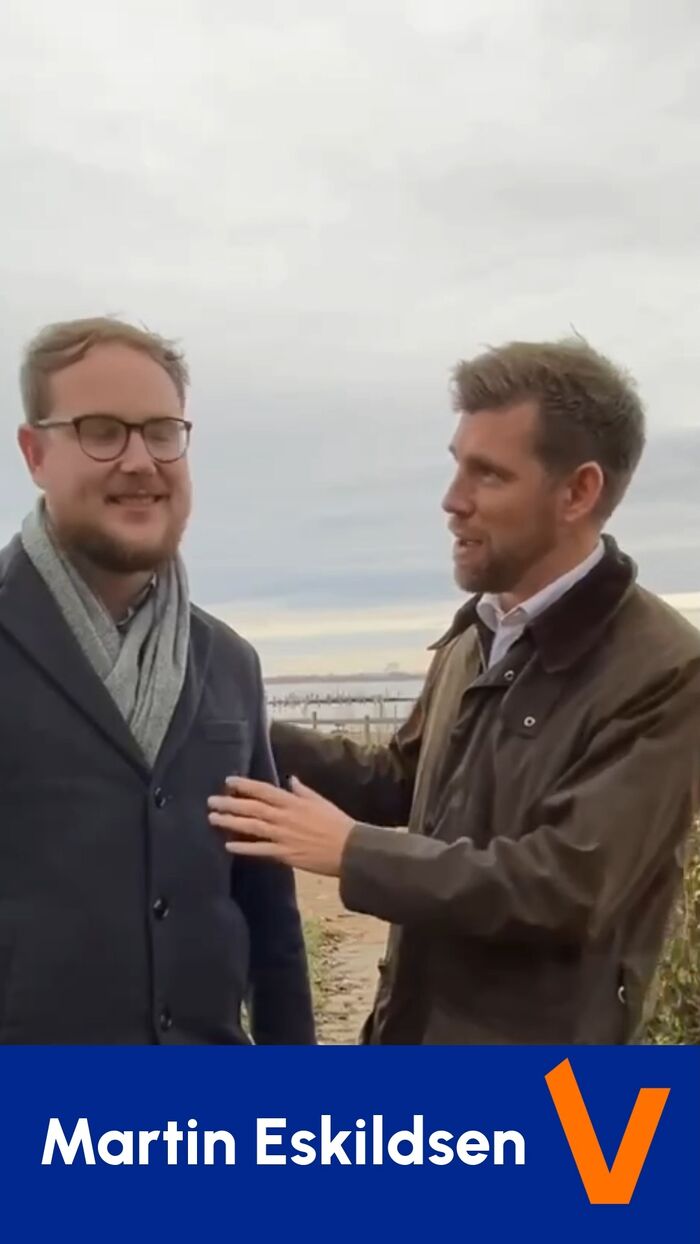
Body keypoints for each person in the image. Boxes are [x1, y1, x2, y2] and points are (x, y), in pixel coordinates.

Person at [208, 338, 700, 1045]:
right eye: (457, 465)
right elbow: (401, 782)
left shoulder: (665, 669)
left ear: (578, 492)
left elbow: (567, 886)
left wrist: (353, 853)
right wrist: (237, 723)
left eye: (488, 474)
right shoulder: (477, 635)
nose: (452, 500)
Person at [0, 316, 314, 1044]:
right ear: (35, 453)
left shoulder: (228, 662)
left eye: (162, 432)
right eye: (102, 431)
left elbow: (269, 912)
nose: (140, 461)